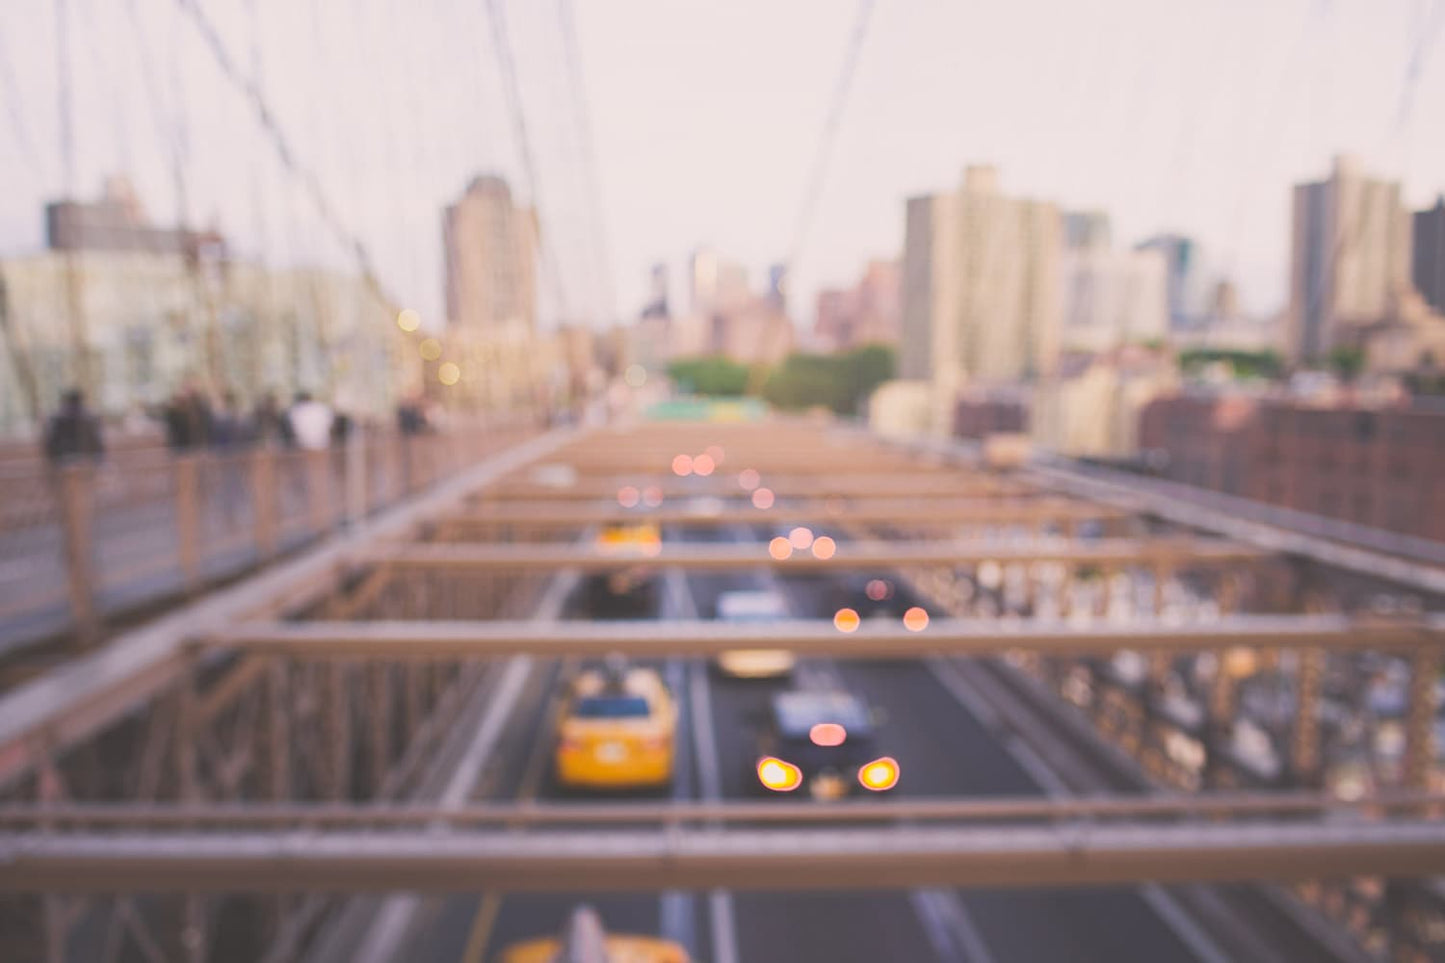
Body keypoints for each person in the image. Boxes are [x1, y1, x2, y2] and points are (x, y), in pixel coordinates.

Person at [43, 388, 105, 464]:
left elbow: (51, 441)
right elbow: (97, 440)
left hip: (63, 457)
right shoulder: (90, 417)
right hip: (84, 457)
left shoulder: (57, 418)